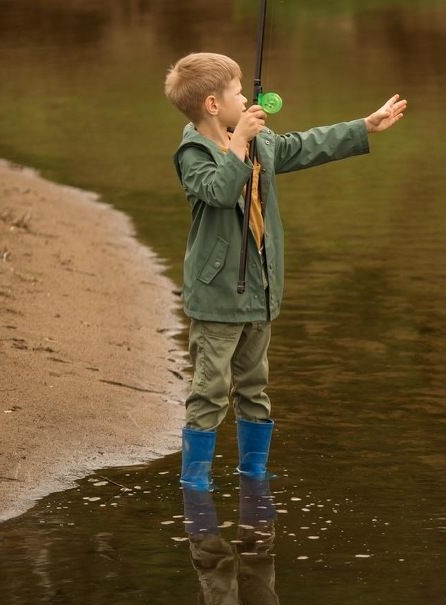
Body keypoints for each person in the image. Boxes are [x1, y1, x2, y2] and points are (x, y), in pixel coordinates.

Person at [164, 52, 406, 489]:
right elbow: (219, 192)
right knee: (210, 391)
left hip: (260, 290)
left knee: (255, 387)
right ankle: (195, 483)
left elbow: (303, 145)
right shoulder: (193, 154)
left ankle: (253, 475)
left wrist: (364, 127)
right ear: (213, 105)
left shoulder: (258, 140)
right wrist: (239, 147)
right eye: (239, 92)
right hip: (218, 297)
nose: (248, 99)